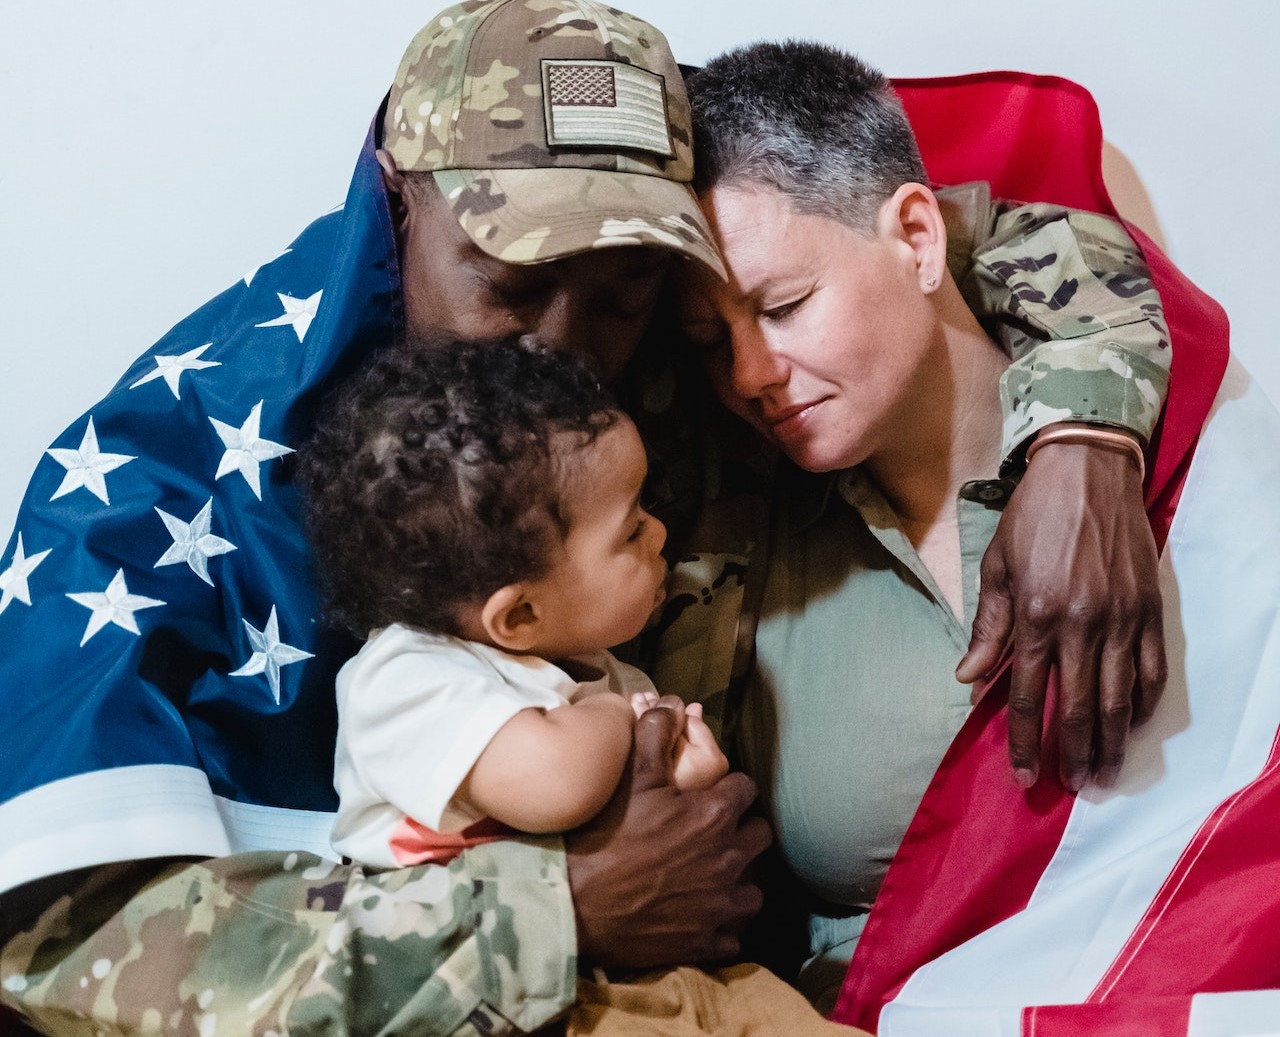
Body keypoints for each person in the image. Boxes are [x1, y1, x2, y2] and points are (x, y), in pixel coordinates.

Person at [0, 1, 1178, 1032]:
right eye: (510, 284)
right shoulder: (162, 483)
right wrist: (552, 908)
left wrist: (1083, 433)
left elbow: (989, 238)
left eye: (621, 295)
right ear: (397, 200)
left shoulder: (675, 353)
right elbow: (57, 943)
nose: (564, 349)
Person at [679, 41, 1275, 1036]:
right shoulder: (724, 548)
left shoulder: (1181, 443)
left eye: (784, 306)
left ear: (914, 236)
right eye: (708, 339)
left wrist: (1086, 435)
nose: (747, 370)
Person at [298, 336, 863, 1036]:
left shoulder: (589, 665)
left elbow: (658, 814)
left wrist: (690, 771)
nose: (660, 533)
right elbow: (559, 781)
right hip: (518, 1001)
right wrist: (630, 721)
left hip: (662, 976)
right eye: (629, 531)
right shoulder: (405, 677)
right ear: (519, 613)